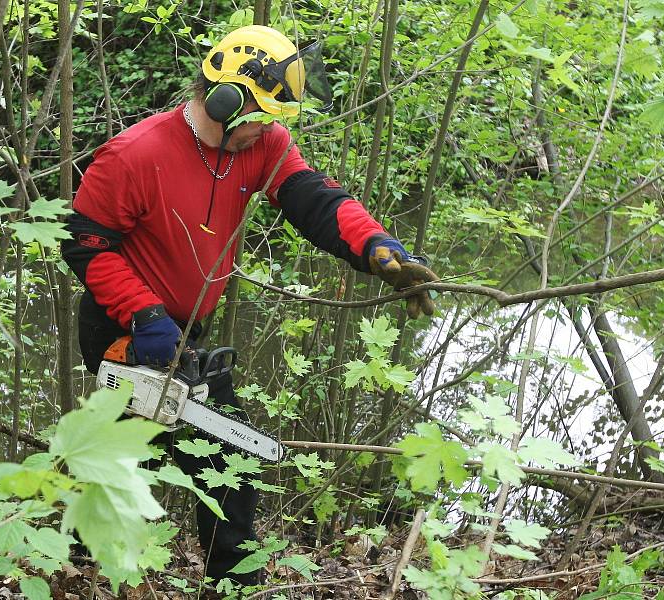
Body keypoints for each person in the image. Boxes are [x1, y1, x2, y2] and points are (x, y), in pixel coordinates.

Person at [61, 25, 438, 586]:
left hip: (187, 331)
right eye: (259, 115)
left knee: (228, 468)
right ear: (223, 100)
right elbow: (86, 246)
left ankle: (230, 585)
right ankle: (76, 571)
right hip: (125, 327)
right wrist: (144, 314)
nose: (266, 129)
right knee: (110, 471)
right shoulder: (135, 155)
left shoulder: (263, 147)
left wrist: (377, 249)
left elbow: (315, 199)